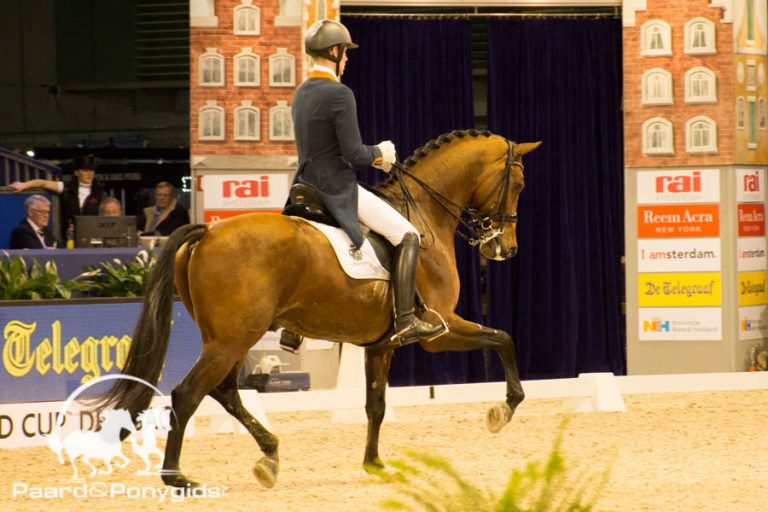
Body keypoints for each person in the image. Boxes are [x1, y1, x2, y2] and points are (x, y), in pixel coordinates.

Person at [287, 19, 443, 350]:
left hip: (305, 185)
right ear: (334, 51)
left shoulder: (301, 92)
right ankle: (405, 320)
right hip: (335, 187)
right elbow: (353, 153)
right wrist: (381, 154)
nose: (347, 59)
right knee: (408, 235)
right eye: (345, 53)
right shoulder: (339, 93)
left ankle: (293, 325)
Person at [9, 155, 106, 240]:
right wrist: (24, 185)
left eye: (91, 170)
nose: (89, 174)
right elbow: (43, 183)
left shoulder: (99, 191)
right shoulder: (66, 187)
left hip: (92, 234)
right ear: (76, 172)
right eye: (85, 170)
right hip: (69, 236)